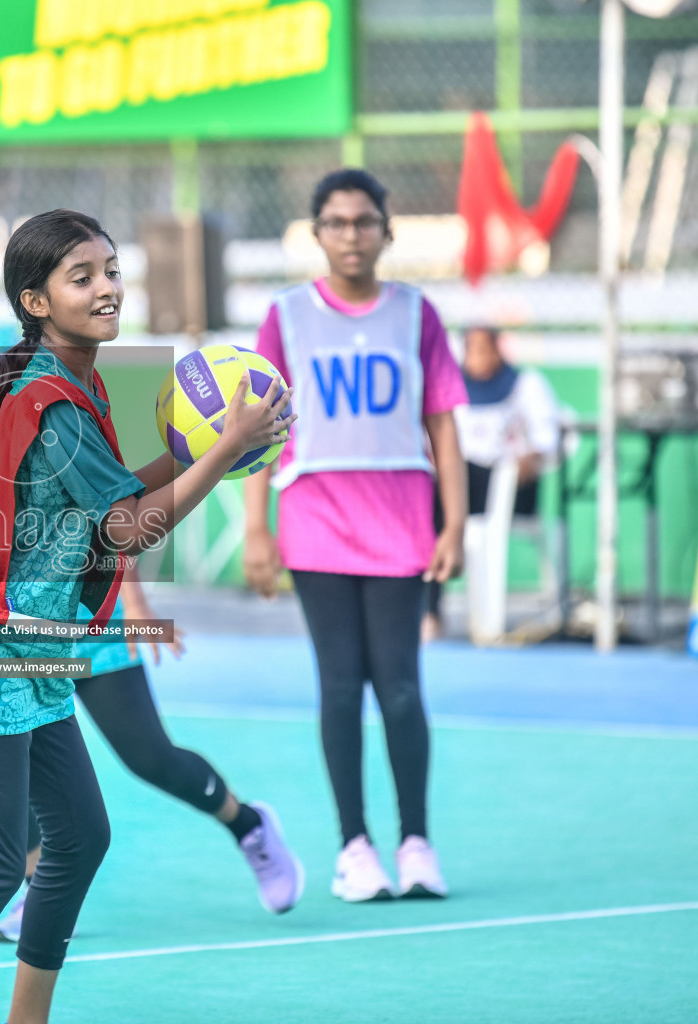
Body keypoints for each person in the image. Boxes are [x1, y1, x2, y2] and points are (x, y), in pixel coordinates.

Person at [0, 210, 293, 1024]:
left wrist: (192, 450)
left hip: (29, 644)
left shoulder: (69, 378)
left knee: (78, 836)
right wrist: (224, 446)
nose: (106, 287)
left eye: (109, 269)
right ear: (35, 300)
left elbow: (113, 498)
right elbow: (130, 526)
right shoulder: (55, 399)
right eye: (82, 276)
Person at [0, 310, 303, 948]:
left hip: (83, 627)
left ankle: (249, 826)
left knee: (149, 758)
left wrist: (135, 602)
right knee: (16, 760)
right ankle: (36, 886)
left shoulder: (28, 417)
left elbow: (107, 510)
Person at [243, 168, 468, 903]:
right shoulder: (286, 316)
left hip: (402, 521)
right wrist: (256, 527)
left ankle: (417, 842)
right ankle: (355, 847)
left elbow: (442, 421)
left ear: (386, 231)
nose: (351, 234)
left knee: (400, 688)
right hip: (316, 522)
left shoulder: (415, 314)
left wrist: (455, 521)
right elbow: (256, 429)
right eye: (336, 223)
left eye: (364, 221)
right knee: (340, 687)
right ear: (318, 233)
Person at [423, 325, 561, 639]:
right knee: (428, 498)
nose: (478, 358)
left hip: (511, 488)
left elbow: (548, 438)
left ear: (499, 349)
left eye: (485, 349)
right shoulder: (451, 387)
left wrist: (533, 454)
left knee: (455, 482)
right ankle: (430, 612)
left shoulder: (526, 384)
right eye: (472, 350)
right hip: (460, 484)